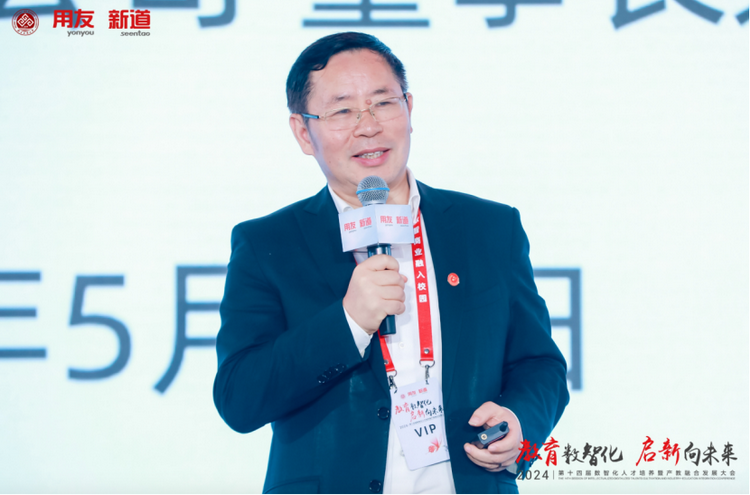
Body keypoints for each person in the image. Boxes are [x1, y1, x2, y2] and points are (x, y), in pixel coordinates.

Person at [213, 32, 569, 494]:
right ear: (303, 132)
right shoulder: (268, 244)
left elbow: (539, 363)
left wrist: (520, 423)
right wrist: (348, 321)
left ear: (409, 109)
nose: (368, 127)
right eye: (342, 111)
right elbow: (240, 399)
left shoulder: (488, 228)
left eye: (383, 103)